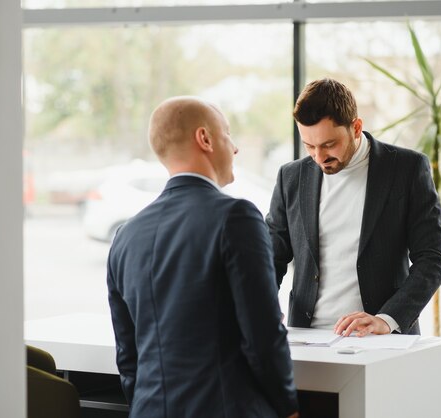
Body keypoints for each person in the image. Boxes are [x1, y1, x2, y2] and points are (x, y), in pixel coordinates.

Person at [107, 97, 299, 418]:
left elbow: (128, 357)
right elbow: (263, 335)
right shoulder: (236, 216)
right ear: (205, 139)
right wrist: (288, 407)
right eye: (227, 134)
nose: (235, 148)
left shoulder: (125, 235)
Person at [266, 78, 441, 337]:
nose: (319, 157)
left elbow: (433, 257)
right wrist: (262, 305)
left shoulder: (406, 169)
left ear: (356, 127)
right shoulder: (291, 177)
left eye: (329, 145)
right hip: (306, 339)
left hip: (381, 339)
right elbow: (271, 255)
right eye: (309, 146)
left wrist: (387, 319)